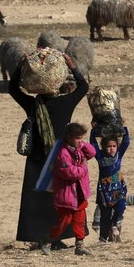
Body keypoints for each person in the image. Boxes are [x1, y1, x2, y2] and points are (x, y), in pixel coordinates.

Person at [9, 53, 89, 245]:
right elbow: (84, 87)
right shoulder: (65, 103)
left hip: (37, 158)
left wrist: (19, 67)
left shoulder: (33, 105)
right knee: (62, 200)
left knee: (37, 200)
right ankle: (57, 238)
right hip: (63, 159)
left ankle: (40, 238)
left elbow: (13, 89)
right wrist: (73, 66)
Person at [42, 122, 96, 257]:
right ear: (70, 138)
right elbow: (70, 173)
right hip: (67, 195)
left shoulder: (78, 148)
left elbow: (92, 152)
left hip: (80, 193)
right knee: (64, 221)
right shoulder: (63, 154)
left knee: (80, 220)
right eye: (78, 138)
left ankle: (80, 245)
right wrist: (84, 167)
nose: (80, 140)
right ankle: (47, 241)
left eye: (81, 137)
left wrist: (82, 144)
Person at [90, 124, 134, 243]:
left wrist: (124, 127)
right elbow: (93, 144)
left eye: (114, 146)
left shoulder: (118, 156)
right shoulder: (100, 157)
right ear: (104, 147)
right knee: (105, 216)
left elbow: (126, 142)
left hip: (117, 188)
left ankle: (115, 223)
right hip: (104, 191)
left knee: (121, 205)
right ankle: (102, 239)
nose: (112, 148)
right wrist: (94, 130)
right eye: (109, 146)